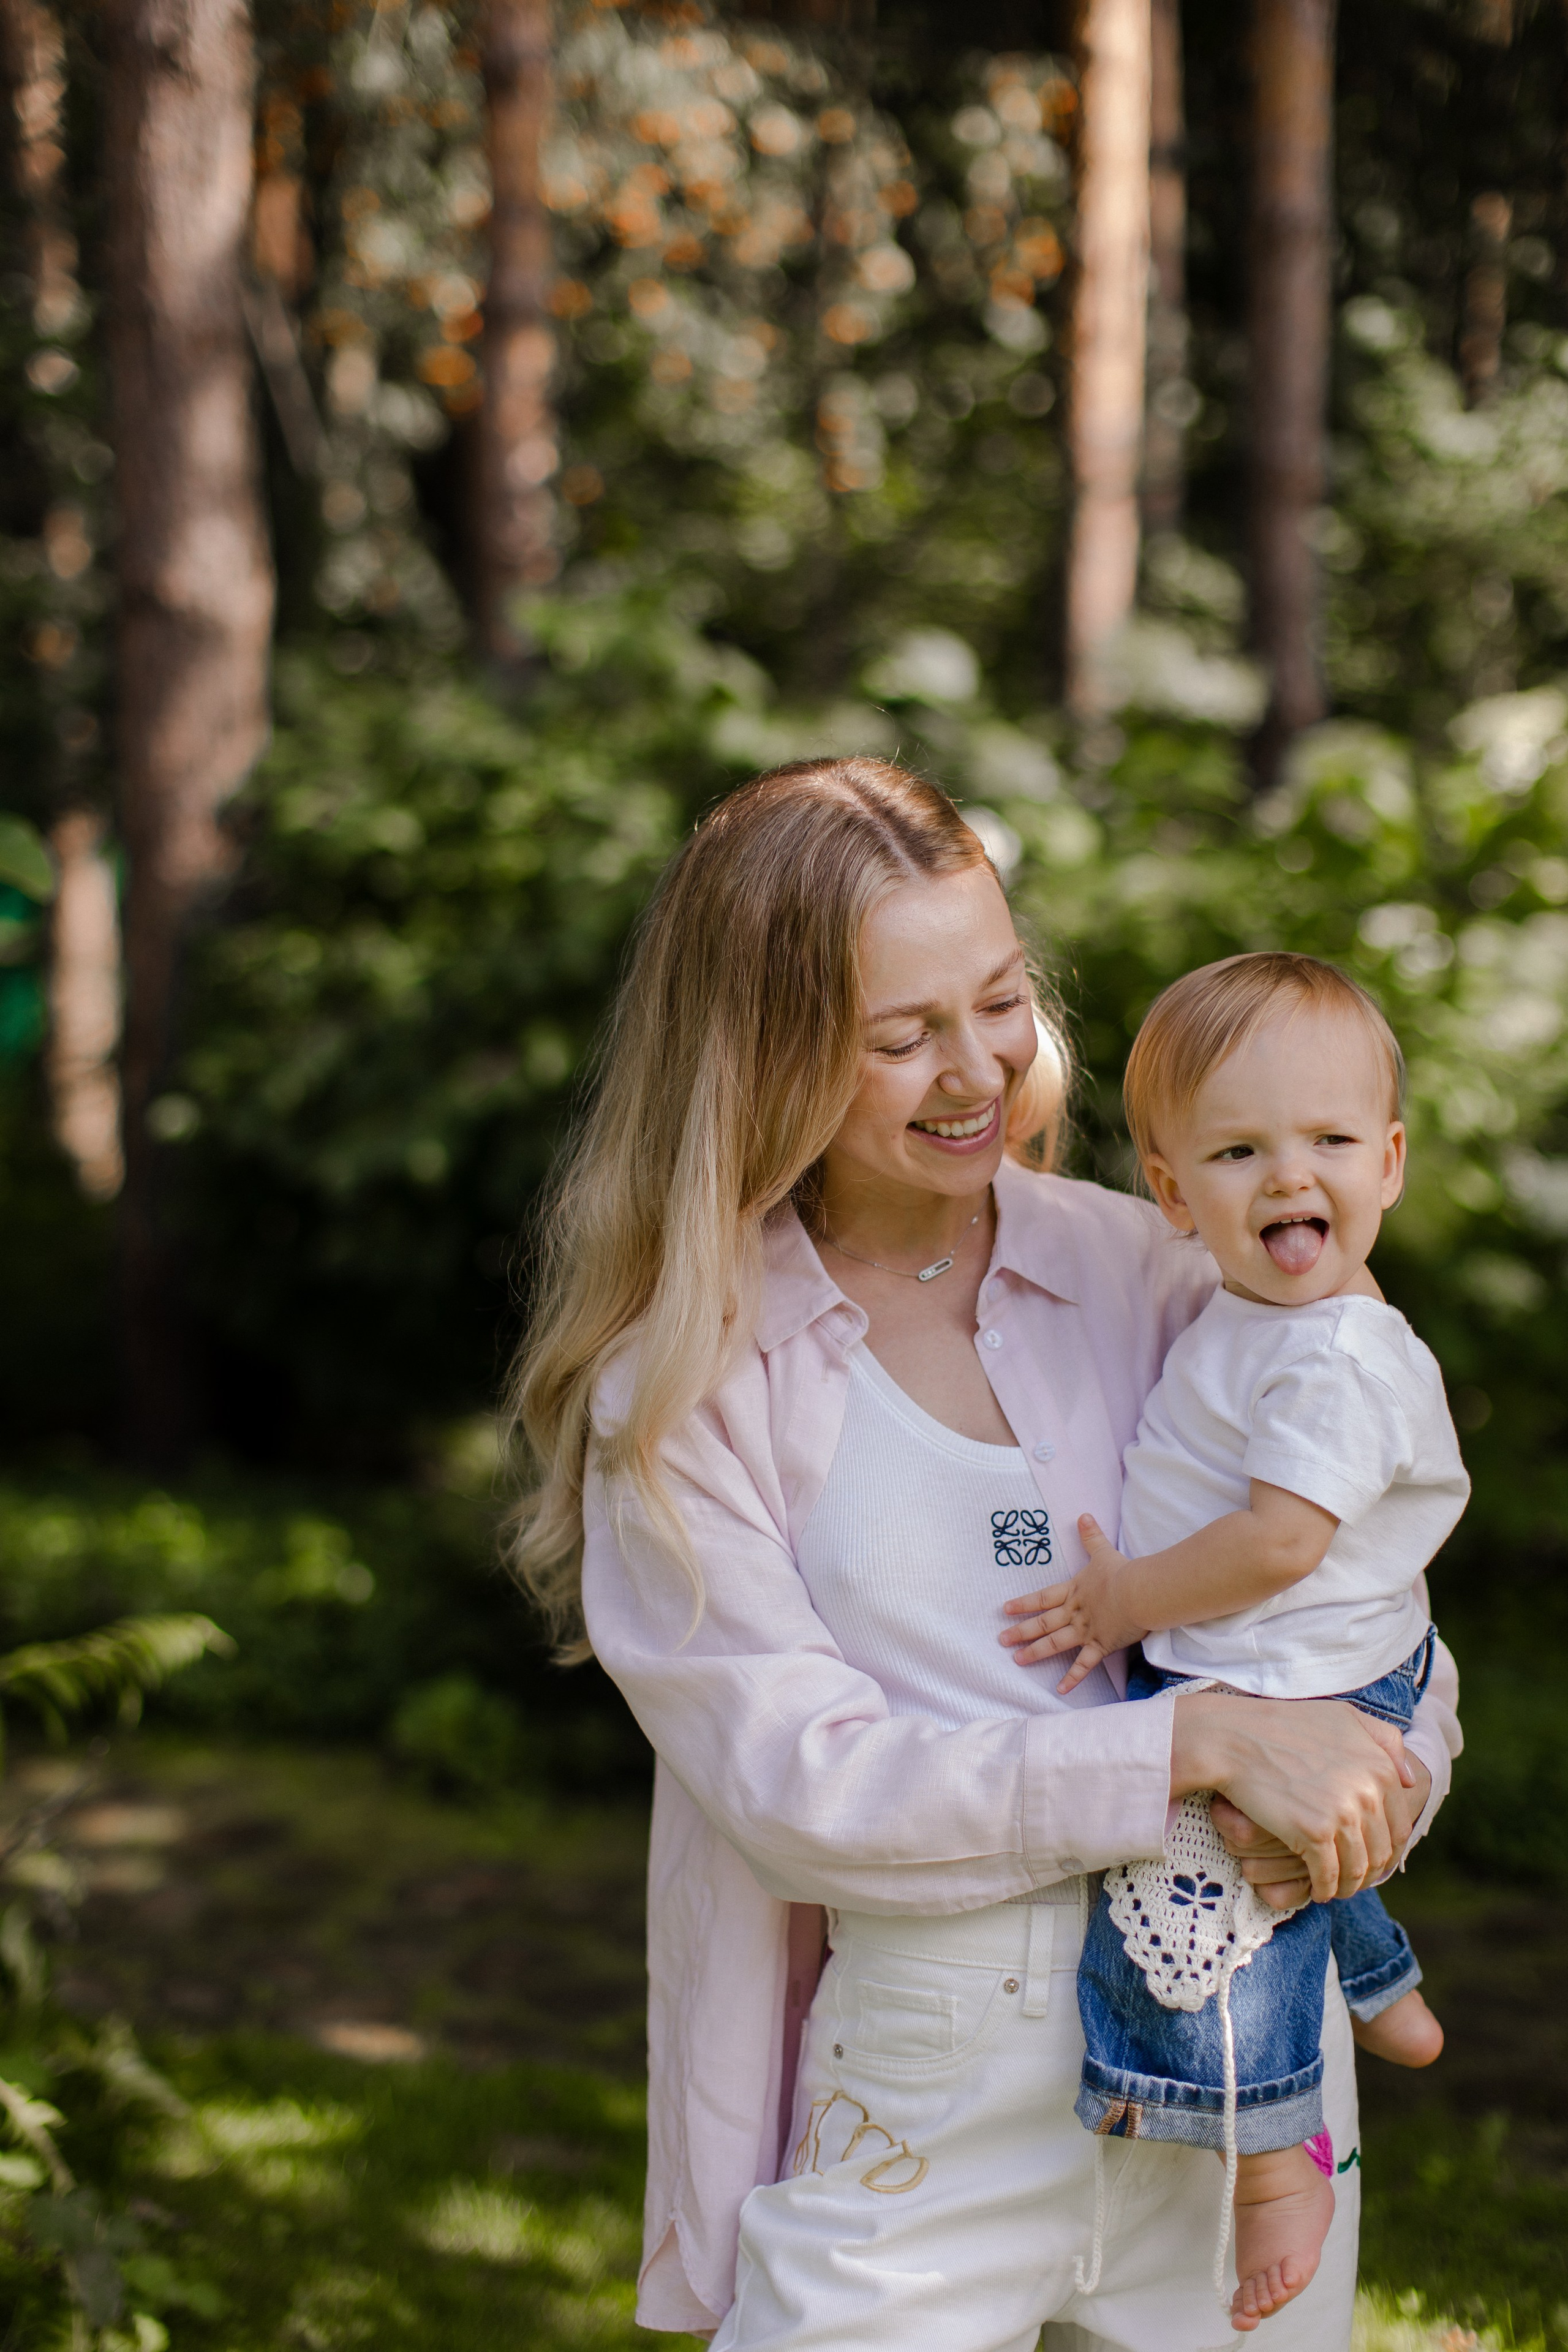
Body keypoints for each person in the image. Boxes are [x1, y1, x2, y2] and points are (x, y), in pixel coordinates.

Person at [507, 759, 1461, 2352]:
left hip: (1245, 2058)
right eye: (902, 1037)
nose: (977, 1072)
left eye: (1001, 1002)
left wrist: (1375, 1792)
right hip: (932, 2071)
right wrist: (1195, 1745)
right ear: (767, 1053)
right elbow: (801, 1784)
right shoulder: (689, 1377)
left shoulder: (1158, 1266)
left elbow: (1370, 1608)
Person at [1000, 953, 1461, 2331]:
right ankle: (1382, 1981)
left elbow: (1276, 1543)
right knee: (1271, 1861)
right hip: (1281, 1661)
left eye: (1328, 1143)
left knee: (1213, 1889)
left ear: (1388, 1162)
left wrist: (1122, 1603)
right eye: (1239, 1151)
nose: (1287, 1177)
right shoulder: (1257, 1318)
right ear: (1171, 1190)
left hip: (1298, 1667)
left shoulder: (1334, 1356)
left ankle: (1276, 2162)